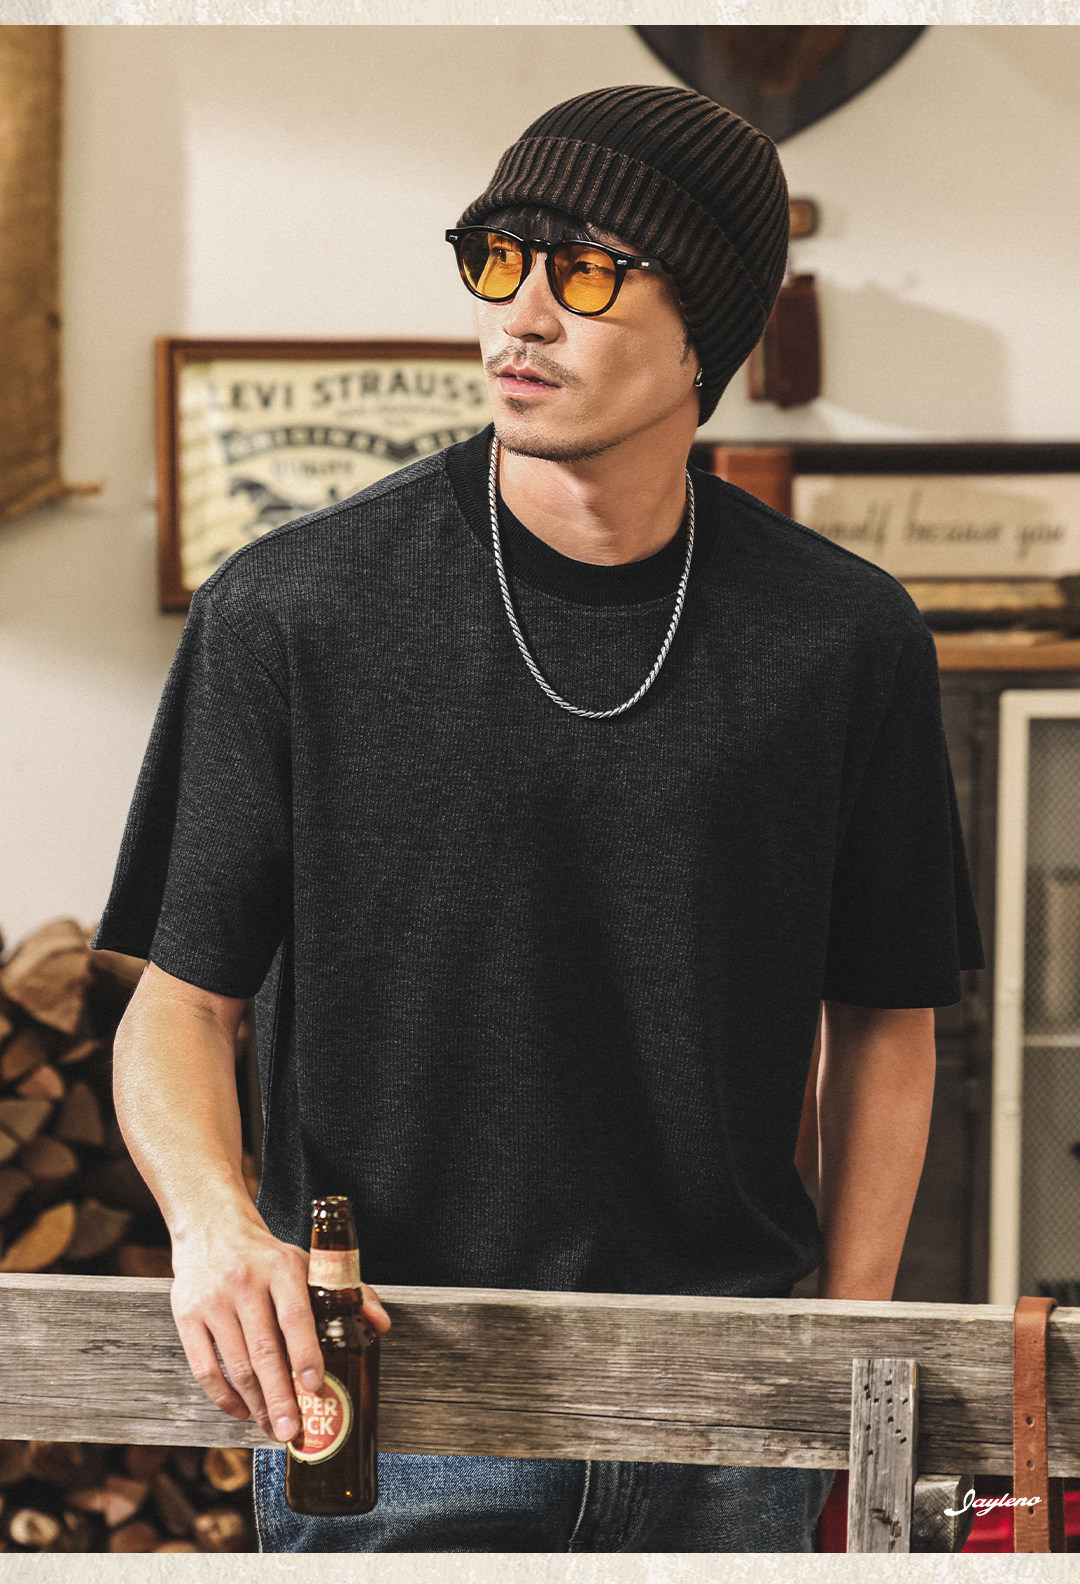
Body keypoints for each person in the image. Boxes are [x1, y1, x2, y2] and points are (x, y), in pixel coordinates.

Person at [94, 84, 983, 1553]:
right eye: (497, 259)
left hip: (730, 1400)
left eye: (586, 274)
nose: (520, 317)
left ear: (707, 333)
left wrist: (840, 1346)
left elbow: (885, 1020)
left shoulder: (844, 638)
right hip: (388, 1390)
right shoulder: (294, 610)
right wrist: (213, 1223)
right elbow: (177, 1009)